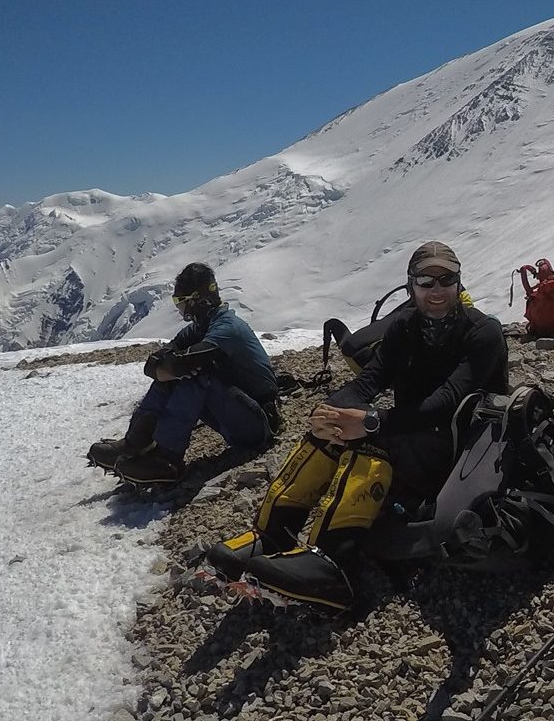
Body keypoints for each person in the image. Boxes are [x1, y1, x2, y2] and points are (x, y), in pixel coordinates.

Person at [201, 241, 509, 611]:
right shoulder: (405, 328)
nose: (437, 290)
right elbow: (368, 382)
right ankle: (271, 536)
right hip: (419, 434)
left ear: (459, 283)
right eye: (426, 281)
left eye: (447, 280)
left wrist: (372, 422)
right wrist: (330, 411)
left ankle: (334, 563)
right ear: (411, 285)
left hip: (466, 450)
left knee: (370, 444)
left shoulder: (483, 332)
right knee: (327, 435)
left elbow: (447, 401)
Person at [89, 263, 278, 484]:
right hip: (237, 414)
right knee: (182, 375)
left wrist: (168, 369)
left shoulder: (228, 328)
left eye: (181, 302)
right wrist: (167, 369)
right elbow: (156, 363)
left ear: (198, 300)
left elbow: (182, 363)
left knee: (198, 375)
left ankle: (167, 458)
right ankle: (136, 443)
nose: (181, 309)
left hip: (259, 425)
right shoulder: (201, 328)